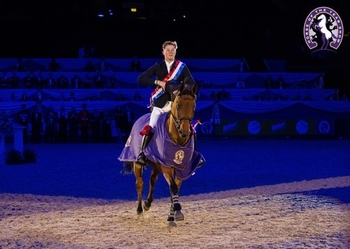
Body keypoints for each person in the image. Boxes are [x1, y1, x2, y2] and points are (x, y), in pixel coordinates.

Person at [136, 40, 196, 165]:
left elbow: (190, 82)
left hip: (175, 106)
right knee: (150, 127)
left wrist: (182, 88)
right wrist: (157, 82)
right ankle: (142, 154)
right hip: (160, 105)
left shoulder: (182, 67)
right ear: (163, 52)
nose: (170, 52)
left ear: (175, 52)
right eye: (167, 50)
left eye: (172, 50)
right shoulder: (158, 66)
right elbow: (141, 78)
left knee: (189, 128)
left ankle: (195, 156)